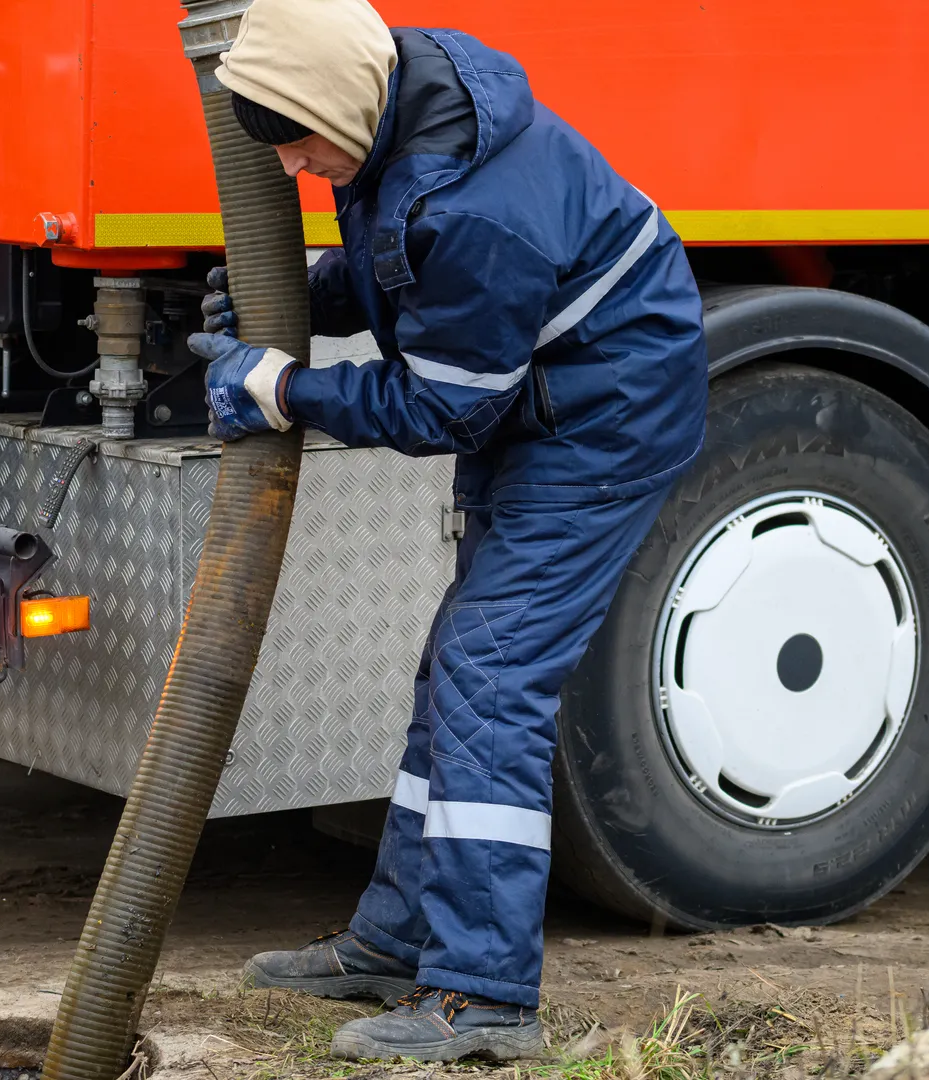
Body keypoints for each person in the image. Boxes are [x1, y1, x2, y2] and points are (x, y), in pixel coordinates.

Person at [187, 0, 709, 1063]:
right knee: (455, 674)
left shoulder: (478, 206)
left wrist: (286, 387)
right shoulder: (394, 113)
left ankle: (484, 1000)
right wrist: (308, 294)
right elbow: (405, 264)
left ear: (338, 106)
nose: (291, 169)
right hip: (548, 398)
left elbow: (443, 408)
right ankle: (398, 939)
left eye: (296, 143)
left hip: (602, 423)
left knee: (489, 672)